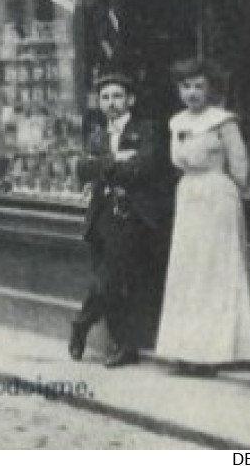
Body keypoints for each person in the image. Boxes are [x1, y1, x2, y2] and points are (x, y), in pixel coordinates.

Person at [155, 59, 250, 376]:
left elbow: (239, 164)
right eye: (185, 87)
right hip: (189, 196)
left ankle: (216, 351)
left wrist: (247, 189)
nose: (192, 93)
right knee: (189, 270)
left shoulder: (223, 122)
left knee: (215, 268)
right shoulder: (176, 122)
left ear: (211, 89)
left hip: (218, 197)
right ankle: (187, 349)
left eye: (199, 86)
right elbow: (178, 162)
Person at [68, 72, 174, 368]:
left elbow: (143, 169)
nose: (111, 103)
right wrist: (117, 162)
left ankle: (84, 324)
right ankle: (122, 345)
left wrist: (105, 166)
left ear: (131, 100)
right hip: (101, 213)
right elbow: (81, 168)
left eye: (117, 96)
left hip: (134, 215)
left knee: (113, 276)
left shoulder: (147, 130)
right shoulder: (98, 134)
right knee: (114, 279)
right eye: (105, 97)